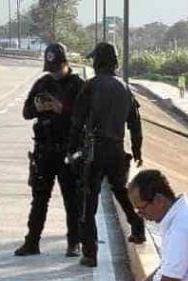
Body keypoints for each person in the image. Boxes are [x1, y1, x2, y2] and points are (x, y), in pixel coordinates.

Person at [68, 42, 146, 268]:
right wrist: (138, 149)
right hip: (117, 149)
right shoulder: (124, 88)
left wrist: (72, 150)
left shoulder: (91, 86)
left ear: (99, 62)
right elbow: (135, 123)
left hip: (94, 152)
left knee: (88, 201)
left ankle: (90, 253)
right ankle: (137, 227)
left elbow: (77, 122)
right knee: (120, 192)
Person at [14, 42, 83, 258]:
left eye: (56, 69)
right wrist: (38, 107)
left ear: (65, 63)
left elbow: (85, 118)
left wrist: (61, 108)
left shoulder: (78, 85)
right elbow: (26, 112)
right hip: (44, 150)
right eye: (50, 69)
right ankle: (32, 242)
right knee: (39, 198)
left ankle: (74, 243)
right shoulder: (42, 83)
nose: (53, 74)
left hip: (68, 151)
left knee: (72, 200)